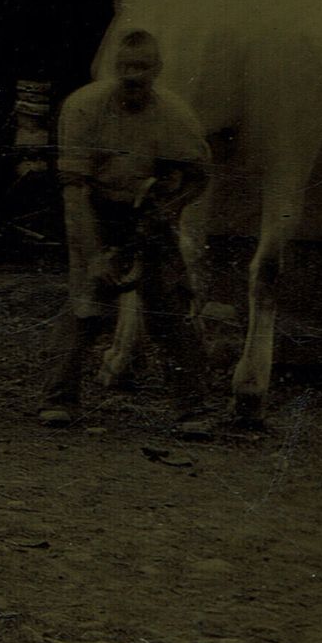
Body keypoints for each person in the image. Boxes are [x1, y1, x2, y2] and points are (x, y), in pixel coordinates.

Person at [43, 25, 214, 430]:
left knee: (170, 308)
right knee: (86, 303)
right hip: (95, 209)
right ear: (113, 68)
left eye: (142, 67)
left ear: (158, 69)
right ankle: (58, 399)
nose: (133, 76)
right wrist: (94, 255)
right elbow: (74, 192)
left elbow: (200, 174)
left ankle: (193, 408)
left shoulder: (175, 114)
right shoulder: (83, 107)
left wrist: (169, 207)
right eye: (126, 67)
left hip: (147, 212)